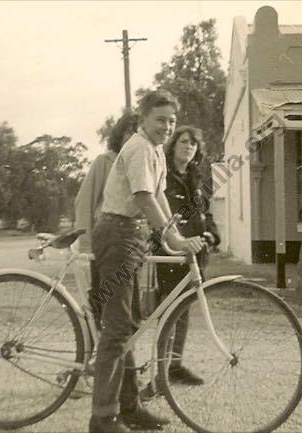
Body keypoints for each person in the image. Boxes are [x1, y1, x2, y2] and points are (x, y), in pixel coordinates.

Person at [88, 90, 203, 433]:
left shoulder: (155, 151)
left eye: (171, 121)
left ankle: (129, 407)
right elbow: (142, 196)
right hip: (117, 232)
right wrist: (172, 238)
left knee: (129, 324)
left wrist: (176, 232)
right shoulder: (138, 148)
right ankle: (102, 418)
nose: (167, 127)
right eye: (160, 120)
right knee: (117, 327)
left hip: (132, 233)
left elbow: (161, 197)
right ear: (143, 120)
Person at [140, 126, 221, 400]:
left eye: (193, 144)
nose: (189, 147)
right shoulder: (165, 177)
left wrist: (211, 234)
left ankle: (174, 367)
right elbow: (162, 215)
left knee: (184, 311)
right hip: (172, 253)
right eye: (184, 142)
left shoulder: (197, 177)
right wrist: (182, 240)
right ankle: (158, 375)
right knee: (168, 313)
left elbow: (206, 213)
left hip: (196, 254)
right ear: (173, 146)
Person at [72, 111, 139, 328]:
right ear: (120, 135)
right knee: (104, 308)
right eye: (129, 131)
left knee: (128, 310)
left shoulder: (138, 165)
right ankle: (96, 358)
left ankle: (125, 361)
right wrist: (86, 245)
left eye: (137, 133)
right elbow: (84, 202)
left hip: (129, 244)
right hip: (105, 245)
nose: (133, 137)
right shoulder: (105, 162)